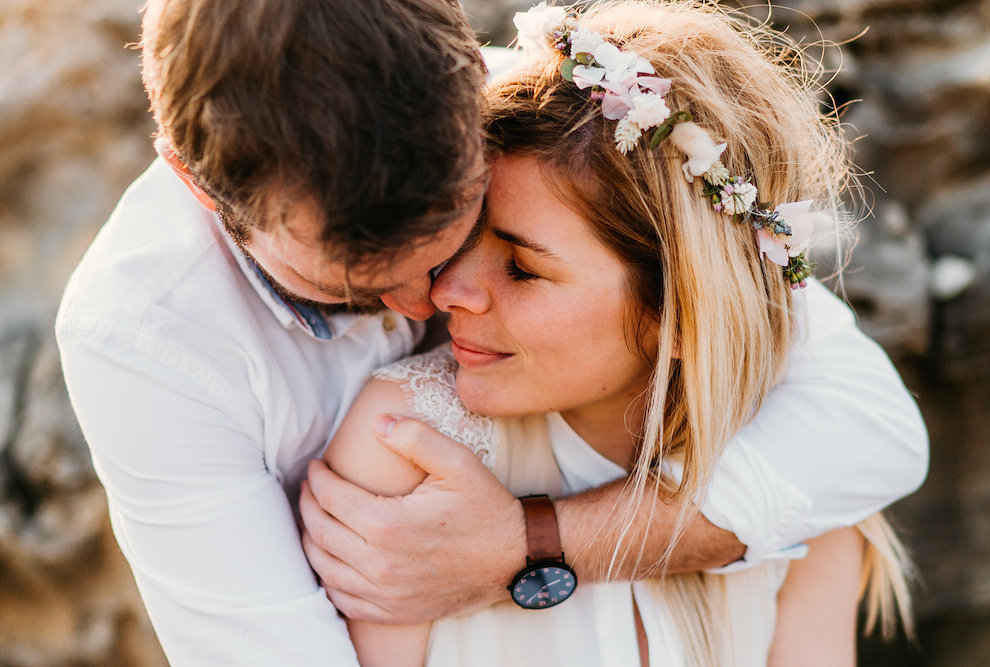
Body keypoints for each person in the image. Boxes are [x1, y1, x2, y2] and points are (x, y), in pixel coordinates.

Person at [55, 0, 925, 664]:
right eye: (349, 286)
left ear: (475, 75)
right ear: (198, 187)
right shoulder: (146, 339)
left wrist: (528, 543)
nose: (428, 304)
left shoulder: (582, 131)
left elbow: (863, 421)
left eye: (463, 233)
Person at [317, 2, 916, 665]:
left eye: (521, 267)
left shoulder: (809, 480)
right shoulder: (405, 447)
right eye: (458, 236)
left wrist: (524, 542)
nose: (444, 290)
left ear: (679, 317)